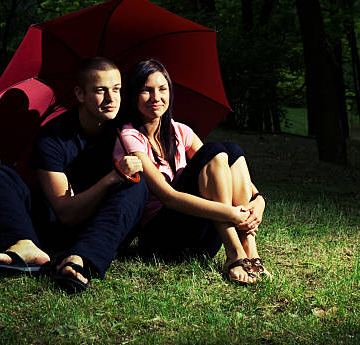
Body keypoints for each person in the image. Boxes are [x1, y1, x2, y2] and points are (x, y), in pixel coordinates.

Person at [0, 56, 148, 292]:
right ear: (80, 94)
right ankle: (26, 246)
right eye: (100, 90)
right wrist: (113, 177)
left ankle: (80, 259)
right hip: (56, 222)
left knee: (137, 184)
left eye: (117, 89)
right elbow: (65, 213)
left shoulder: (126, 129)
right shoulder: (53, 137)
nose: (111, 99)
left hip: (101, 227)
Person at [113, 59, 269, 285]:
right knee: (215, 150)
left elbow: (225, 166)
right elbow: (169, 197)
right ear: (133, 95)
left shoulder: (179, 131)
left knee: (231, 150)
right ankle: (234, 253)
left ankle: (250, 251)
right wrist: (232, 214)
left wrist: (259, 201)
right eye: (146, 90)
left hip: (198, 235)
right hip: (161, 238)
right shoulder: (130, 137)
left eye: (162, 89)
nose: (156, 98)